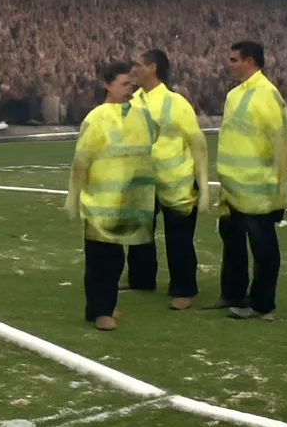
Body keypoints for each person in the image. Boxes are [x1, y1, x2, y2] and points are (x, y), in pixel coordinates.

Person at [65, 61, 158, 331]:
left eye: (131, 84)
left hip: (126, 202)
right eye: (124, 84)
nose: (130, 89)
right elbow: (81, 161)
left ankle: (100, 306)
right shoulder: (96, 118)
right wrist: (73, 197)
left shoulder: (139, 115)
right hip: (101, 203)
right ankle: (101, 311)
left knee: (115, 259)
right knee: (101, 260)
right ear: (107, 85)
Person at [209, 41, 287, 320]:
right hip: (232, 186)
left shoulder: (268, 95)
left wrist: (279, 190)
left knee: (263, 247)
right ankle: (232, 293)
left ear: (251, 61)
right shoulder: (234, 95)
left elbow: (280, 144)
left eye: (234, 60)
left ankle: (262, 303)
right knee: (232, 242)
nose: (229, 64)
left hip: (257, 188)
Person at [127, 49, 210, 309]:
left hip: (177, 181)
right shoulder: (132, 101)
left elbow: (198, 144)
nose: (134, 70)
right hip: (142, 180)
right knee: (139, 232)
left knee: (179, 239)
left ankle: (184, 288)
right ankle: (140, 279)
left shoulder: (176, 103)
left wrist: (204, 185)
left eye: (138, 65)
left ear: (153, 68)